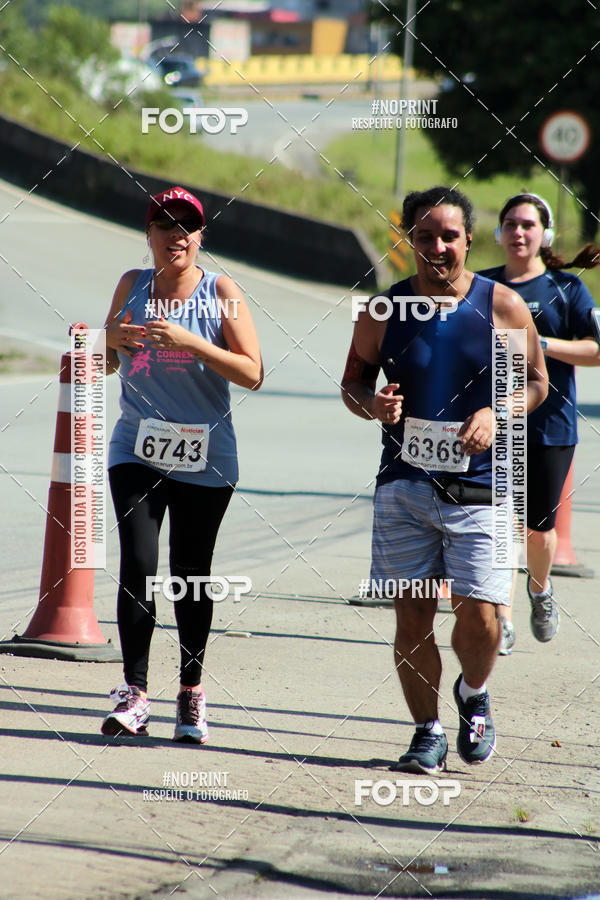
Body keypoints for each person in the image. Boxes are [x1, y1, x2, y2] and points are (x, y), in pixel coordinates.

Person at [341, 186, 548, 774]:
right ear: (408, 240)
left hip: (480, 483)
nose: (437, 247)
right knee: (411, 617)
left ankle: (473, 695)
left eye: (448, 236)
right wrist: (371, 404)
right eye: (424, 236)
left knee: (480, 615)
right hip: (404, 482)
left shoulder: (501, 306)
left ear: (467, 240)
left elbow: (534, 383)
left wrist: (495, 412)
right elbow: (353, 381)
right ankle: (426, 732)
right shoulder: (384, 311)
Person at [101, 186, 263, 741]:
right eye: (164, 225)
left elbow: (251, 371)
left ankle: (191, 692)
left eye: (187, 227)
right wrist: (108, 341)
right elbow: (101, 358)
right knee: (138, 565)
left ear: (200, 236)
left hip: (205, 453)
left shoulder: (222, 291)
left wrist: (191, 342)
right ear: (148, 235)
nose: (177, 235)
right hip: (136, 448)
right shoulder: (131, 285)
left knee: (190, 575)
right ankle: (134, 693)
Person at [480, 193, 600, 652]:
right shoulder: (483, 286)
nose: (518, 232)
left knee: (538, 529)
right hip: (497, 423)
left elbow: (596, 350)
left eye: (528, 225)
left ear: (543, 235)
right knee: (501, 523)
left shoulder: (566, 289)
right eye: (510, 223)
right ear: (498, 232)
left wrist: (540, 345)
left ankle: (540, 589)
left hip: (551, 425)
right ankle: (502, 621)